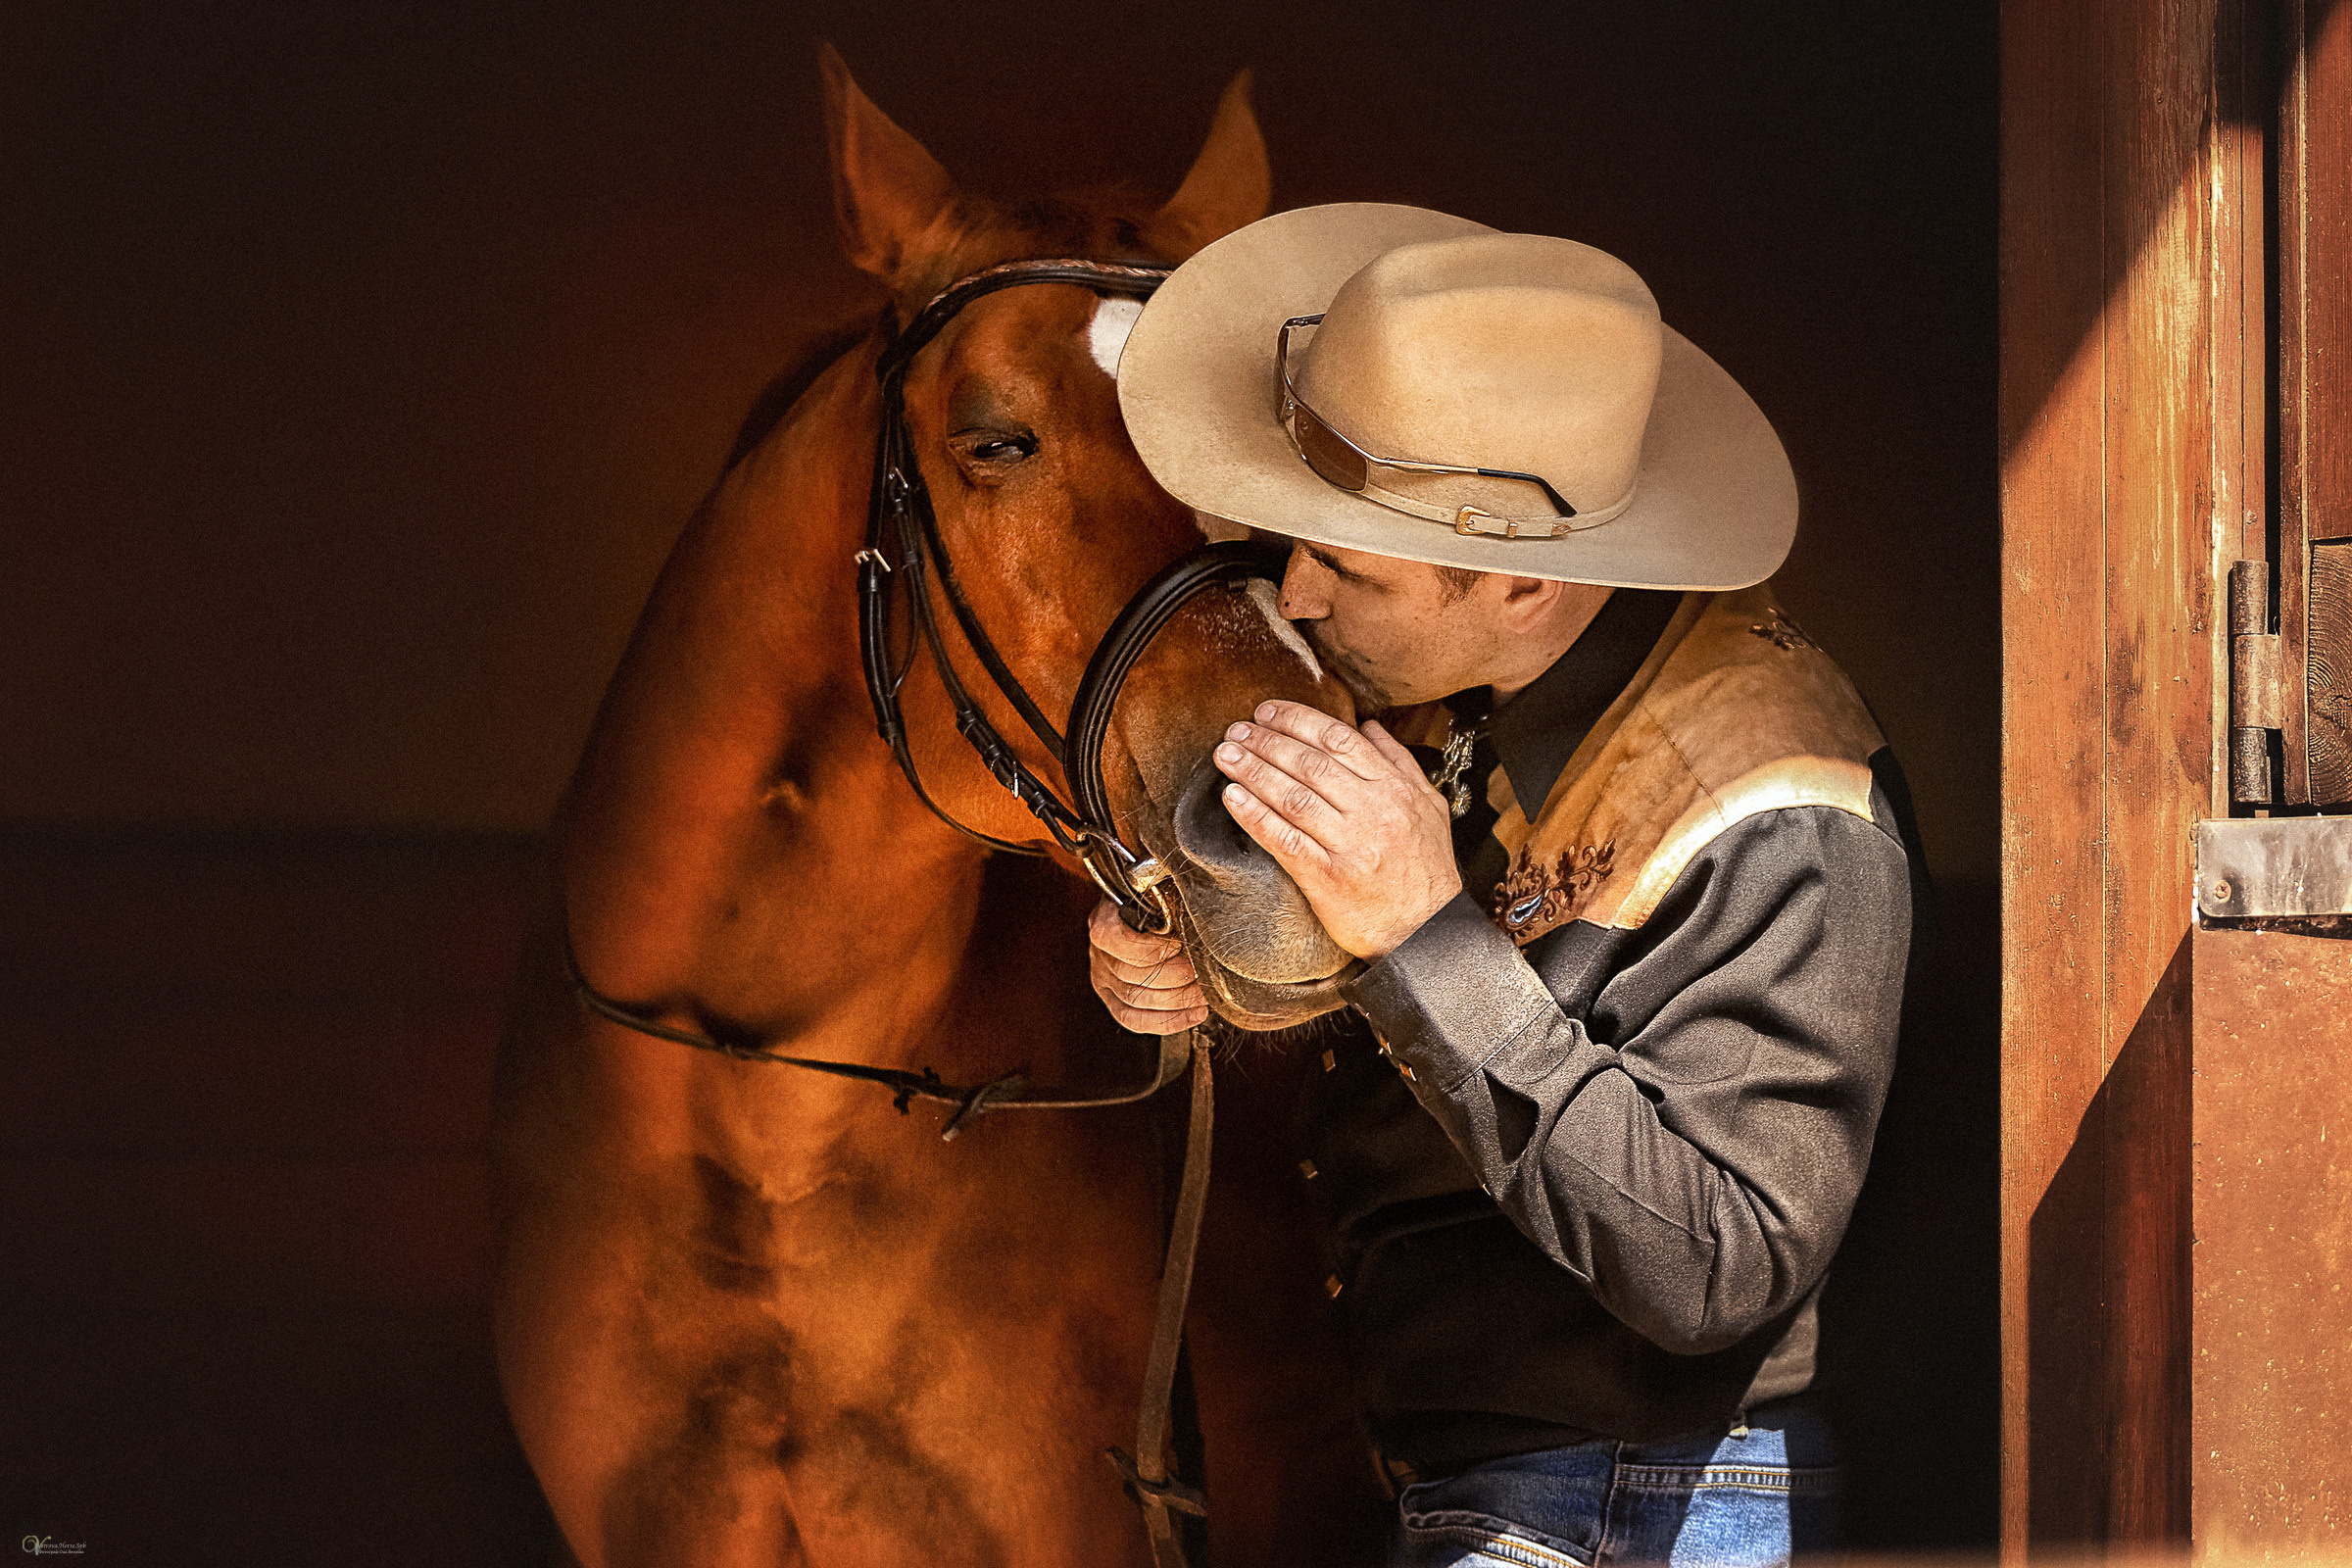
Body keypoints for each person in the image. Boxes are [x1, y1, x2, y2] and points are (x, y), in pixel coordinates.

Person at [1091, 204, 1929, 1567]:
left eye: (1345, 565)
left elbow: (1723, 1258)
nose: (1293, 596)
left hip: (1640, 1507)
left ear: (1521, 589)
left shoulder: (1781, 806)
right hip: (1500, 1488)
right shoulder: (1462, 679)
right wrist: (1213, 960)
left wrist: (1420, 932)